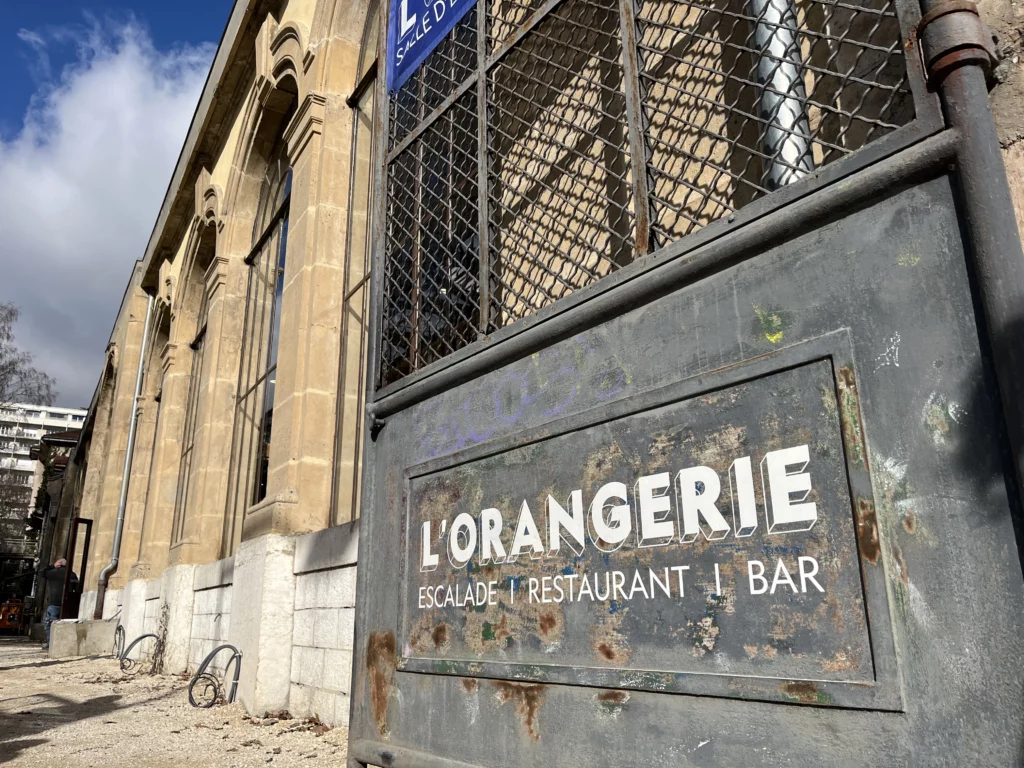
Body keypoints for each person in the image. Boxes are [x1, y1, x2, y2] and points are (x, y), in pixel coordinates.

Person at [41, 559, 77, 649]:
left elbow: (42, 572)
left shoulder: (53, 573)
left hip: (54, 602)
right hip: (68, 602)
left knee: (50, 623)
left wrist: (53, 566)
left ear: (59, 564)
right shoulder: (72, 574)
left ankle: (50, 643)